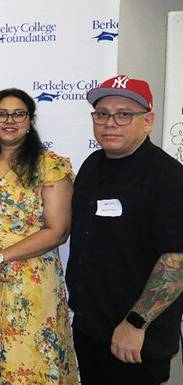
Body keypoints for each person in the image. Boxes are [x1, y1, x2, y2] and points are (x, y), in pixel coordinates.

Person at [0, 88, 78, 384]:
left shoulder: (50, 165)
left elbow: (58, 231)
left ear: (30, 120)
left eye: (19, 114)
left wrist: (0, 258)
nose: (10, 120)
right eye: (1, 114)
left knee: (29, 359)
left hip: (30, 281)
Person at [66, 75, 183, 385]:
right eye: (102, 114)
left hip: (136, 338)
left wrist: (135, 324)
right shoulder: (92, 166)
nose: (110, 123)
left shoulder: (168, 178)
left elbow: (178, 260)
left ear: (148, 121)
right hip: (91, 327)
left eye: (124, 114)